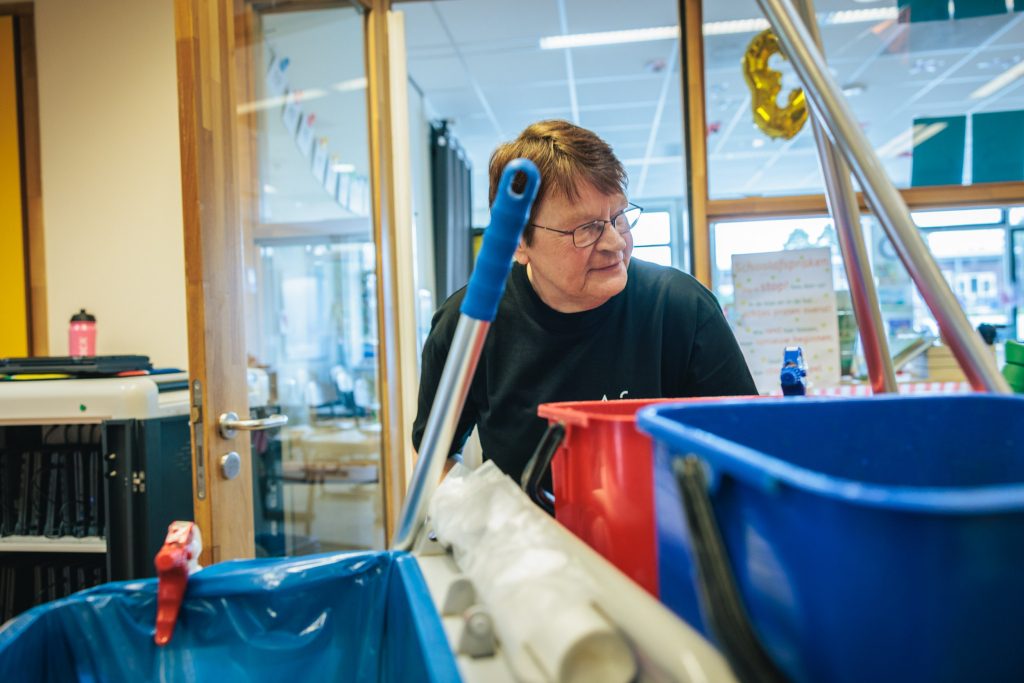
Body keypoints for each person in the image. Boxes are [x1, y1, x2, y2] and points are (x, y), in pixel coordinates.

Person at [412, 120, 756, 485]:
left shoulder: (681, 308)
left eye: (618, 216)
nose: (615, 242)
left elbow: (750, 447)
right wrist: (490, 522)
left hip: (662, 534)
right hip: (530, 538)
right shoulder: (470, 326)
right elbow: (433, 456)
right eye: (586, 228)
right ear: (519, 244)